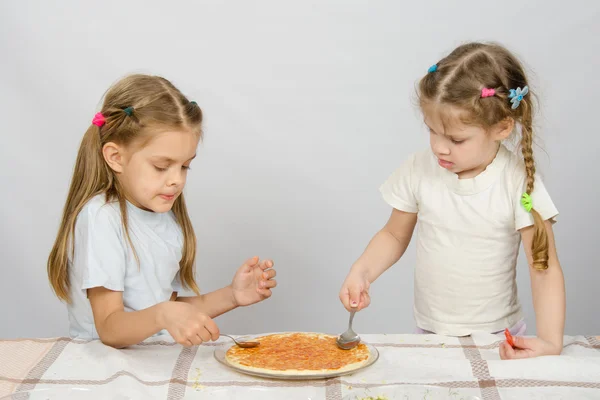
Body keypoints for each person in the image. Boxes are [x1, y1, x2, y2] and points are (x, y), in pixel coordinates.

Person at [339, 42, 565, 359]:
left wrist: (552, 341)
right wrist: (362, 271)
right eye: (432, 131)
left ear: (502, 127)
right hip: (429, 334)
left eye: (456, 139)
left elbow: (544, 267)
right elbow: (393, 234)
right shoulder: (419, 169)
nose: (441, 148)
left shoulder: (517, 182)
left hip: (500, 338)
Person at [47, 74, 277, 348]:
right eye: (161, 166)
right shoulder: (102, 218)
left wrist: (233, 295)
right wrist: (163, 315)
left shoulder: (164, 217)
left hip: (151, 362)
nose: (176, 179)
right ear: (116, 157)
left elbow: (163, 308)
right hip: (103, 366)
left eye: (184, 166)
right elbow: (110, 328)